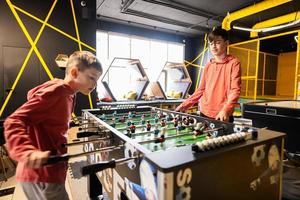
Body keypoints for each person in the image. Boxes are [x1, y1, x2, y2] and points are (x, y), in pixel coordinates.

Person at [4, 51, 102, 200]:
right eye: (92, 78)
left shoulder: (69, 93)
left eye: (97, 80)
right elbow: (14, 120)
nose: (95, 84)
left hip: (49, 171)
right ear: (75, 72)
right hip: (42, 174)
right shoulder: (56, 92)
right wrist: (27, 152)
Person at [175, 28, 241, 122]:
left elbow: (235, 90)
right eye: (211, 43)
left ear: (226, 43)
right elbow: (200, 90)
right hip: (204, 112)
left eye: (217, 42)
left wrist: (226, 110)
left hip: (222, 115)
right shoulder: (208, 65)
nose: (213, 46)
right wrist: (184, 105)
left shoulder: (234, 63)